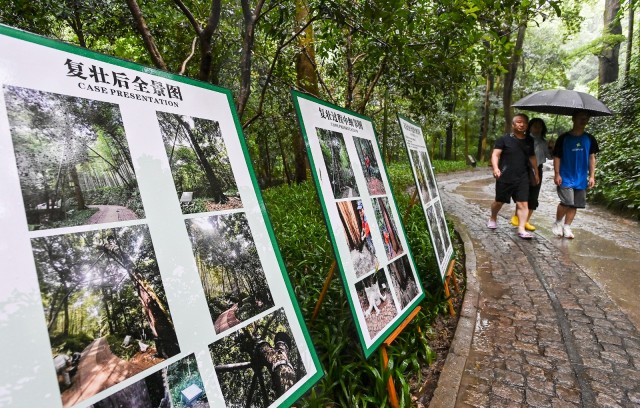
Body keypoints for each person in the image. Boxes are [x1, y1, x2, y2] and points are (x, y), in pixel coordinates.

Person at [487, 113, 539, 239]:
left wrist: (536, 172)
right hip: (505, 175)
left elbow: (532, 157)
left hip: (523, 176)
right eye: (519, 122)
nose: (522, 125)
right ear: (513, 124)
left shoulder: (529, 140)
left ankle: (521, 229)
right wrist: (495, 168)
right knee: (499, 201)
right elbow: (495, 154)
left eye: (525, 123)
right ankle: (493, 217)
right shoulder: (503, 139)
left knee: (523, 203)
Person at [551, 110, 599, 239]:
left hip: (581, 177)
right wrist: (557, 174)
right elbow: (557, 156)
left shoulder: (589, 138)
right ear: (573, 119)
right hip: (565, 175)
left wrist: (592, 176)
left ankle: (567, 226)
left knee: (575, 204)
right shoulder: (563, 138)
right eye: (580, 117)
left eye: (586, 118)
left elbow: (591, 157)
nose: (583, 120)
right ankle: (558, 222)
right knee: (566, 201)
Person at [510, 118, 553, 231]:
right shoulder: (525, 139)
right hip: (525, 169)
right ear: (530, 127)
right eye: (535, 126)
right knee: (523, 194)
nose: (537, 128)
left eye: (540, 126)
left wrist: (551, 147)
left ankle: (526, 221)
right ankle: (517, 216)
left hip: (538, 169)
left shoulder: (544, 141)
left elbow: (549, 157)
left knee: (533, 196)